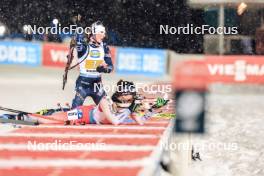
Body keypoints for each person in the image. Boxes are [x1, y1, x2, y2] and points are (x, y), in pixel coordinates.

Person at [71, 20, 113, 109]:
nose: (103, 35)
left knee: (110, 110)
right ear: (93, 33)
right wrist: (79, 32)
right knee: (75, 113)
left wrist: (103, 69)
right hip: (83, 85)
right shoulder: (84, 46)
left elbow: (110, 67)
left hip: (97, 86)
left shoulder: (104, 47)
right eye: (100, 32)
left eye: (104, 33)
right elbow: (78, 44)